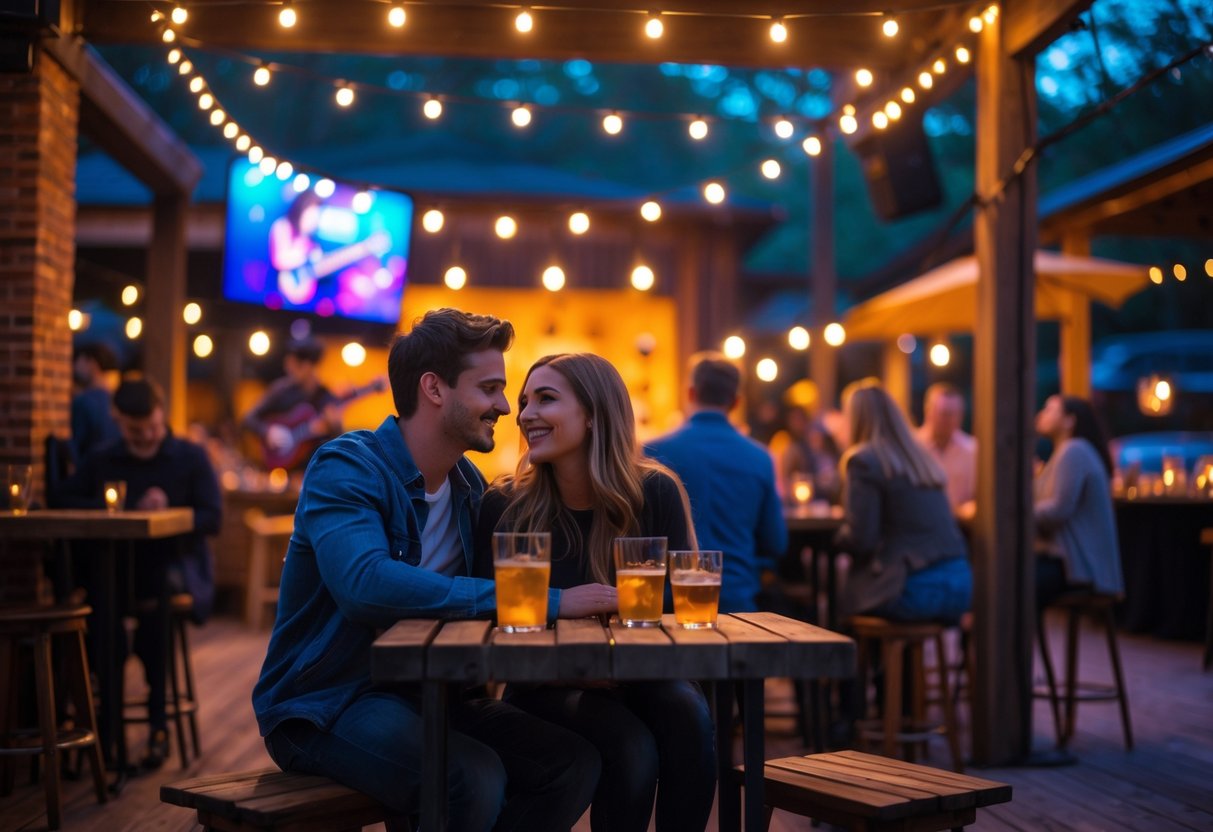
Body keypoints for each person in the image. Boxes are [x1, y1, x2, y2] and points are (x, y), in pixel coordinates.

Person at [252, 310, 600, 831]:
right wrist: (547, 602)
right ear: (434, 389)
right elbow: (365, 585)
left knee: (573, 762)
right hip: (328, 703)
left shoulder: (469, 487)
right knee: (473, 778)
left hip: (432, 694)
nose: (506, 407)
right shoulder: (347, 466)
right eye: (489, 388)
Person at [474, 353, 716, 832]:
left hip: (641, 676)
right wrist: (572, 668)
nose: (524, 415)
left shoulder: (655, 492)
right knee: (630, 743)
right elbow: (488, 614)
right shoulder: (506, 505)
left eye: (546, 399)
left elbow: (676, 606)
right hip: (544, 685)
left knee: (688, 712)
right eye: (524, 402)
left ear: (593, 413)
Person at [55, 377, 222, 768]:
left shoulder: (190, 456)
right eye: (135, 429)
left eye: (151, 426)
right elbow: (62, 496)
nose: (145, 436)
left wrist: (170, 509)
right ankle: (107, 728)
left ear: (162, 415)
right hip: (115, 577)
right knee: (104, 616)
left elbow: (213, 518)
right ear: (118, 420)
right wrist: (114, 506)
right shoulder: (104, 458)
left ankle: (155, 724)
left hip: (175, 568)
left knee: (152, 601)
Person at [645, 352, 787, 613]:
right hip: (737, 600)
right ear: (735, 402)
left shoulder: (653, 451)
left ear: (690, 393)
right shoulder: (760, 457)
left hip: (668, 603)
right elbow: (775, 542)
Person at [834, 379, 971, 622]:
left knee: (842, 603)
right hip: (960, 586)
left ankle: (858, 661)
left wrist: (832, 536)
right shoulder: (919, 458)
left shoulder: (863, 460)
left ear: (854, 418)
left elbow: (861, 539)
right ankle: (893, 661)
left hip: (913, 590)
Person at [1033, 394, 1124, 610]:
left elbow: (1058, 510)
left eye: (1049, 409)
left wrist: (1019, 512)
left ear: (1069, 420)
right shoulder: (1066, 452)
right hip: (1074, 565)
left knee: (1013, 581)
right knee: (1014, 574)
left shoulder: (1073, 451)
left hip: (1080, 568)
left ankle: (1015, 643)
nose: (1040, 415)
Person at [242, 337, 341, 472]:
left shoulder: (326, 397)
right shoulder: (281, 391)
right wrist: (268, 432)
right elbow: (249, 418)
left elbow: (337, 439)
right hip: (282, 469)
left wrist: (335, 426)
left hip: (315, 469)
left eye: (292, 365)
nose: (287, 369)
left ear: (306, 366)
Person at [915, 382, 977, 516]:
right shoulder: (912, 448)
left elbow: (978, 496)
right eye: (944, 414)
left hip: (961, 529)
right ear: (928, 411)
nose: (950, 420)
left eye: (955, 414)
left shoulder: (972, 450)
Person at [70, 342, 121, 462]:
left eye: (78, 360)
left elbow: (77, 448)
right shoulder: (117, 401)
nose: (74, 367)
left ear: (92, 363)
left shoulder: (84, 401)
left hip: (91, 471)